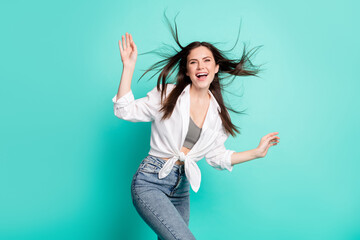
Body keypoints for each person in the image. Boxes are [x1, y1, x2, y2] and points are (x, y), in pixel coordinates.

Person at [112, 16, 280, 240]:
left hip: (181, 187)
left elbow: (217, 157)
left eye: (207, 60)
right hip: (151, 180)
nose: (201, 66)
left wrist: (256, 153)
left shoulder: (219, 115)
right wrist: (128, 68)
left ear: (216, 68)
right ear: (188, 71)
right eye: (193, 62)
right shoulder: (168, 94)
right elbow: (124, 110)